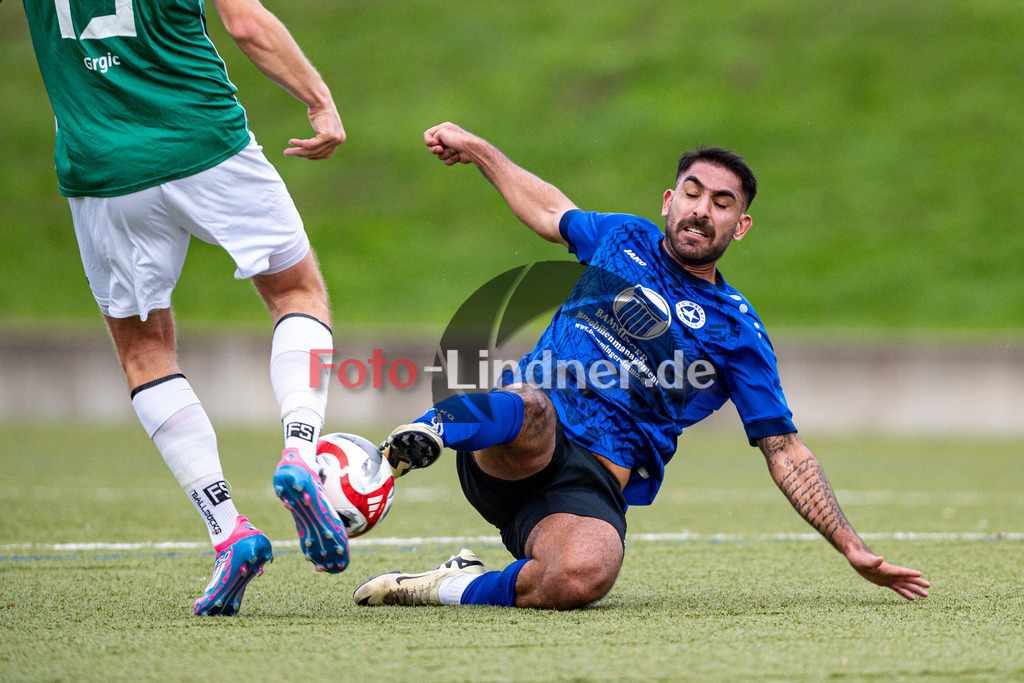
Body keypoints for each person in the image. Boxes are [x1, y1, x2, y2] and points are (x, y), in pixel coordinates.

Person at [353, 122, 931, 609]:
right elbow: (551, 208)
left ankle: (449, 584)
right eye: (693, 192)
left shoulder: (736, 331)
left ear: (740, 226)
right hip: (511, 442)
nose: (702, 210)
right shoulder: (623, 239)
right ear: (669, 201)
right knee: (533, 406)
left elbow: (785, 450)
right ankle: (426, 432)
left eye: (722, 203)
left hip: (594, 481)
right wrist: (478, 149)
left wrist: (852, 546)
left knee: (584, 575)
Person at [18, 0, 350, 615]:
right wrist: (318, 98)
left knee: (144, 351)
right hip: (206, 140)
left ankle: (227, 528)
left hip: (101, 167)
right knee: (296, 293)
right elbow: (246, 22)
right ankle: (301, 451)